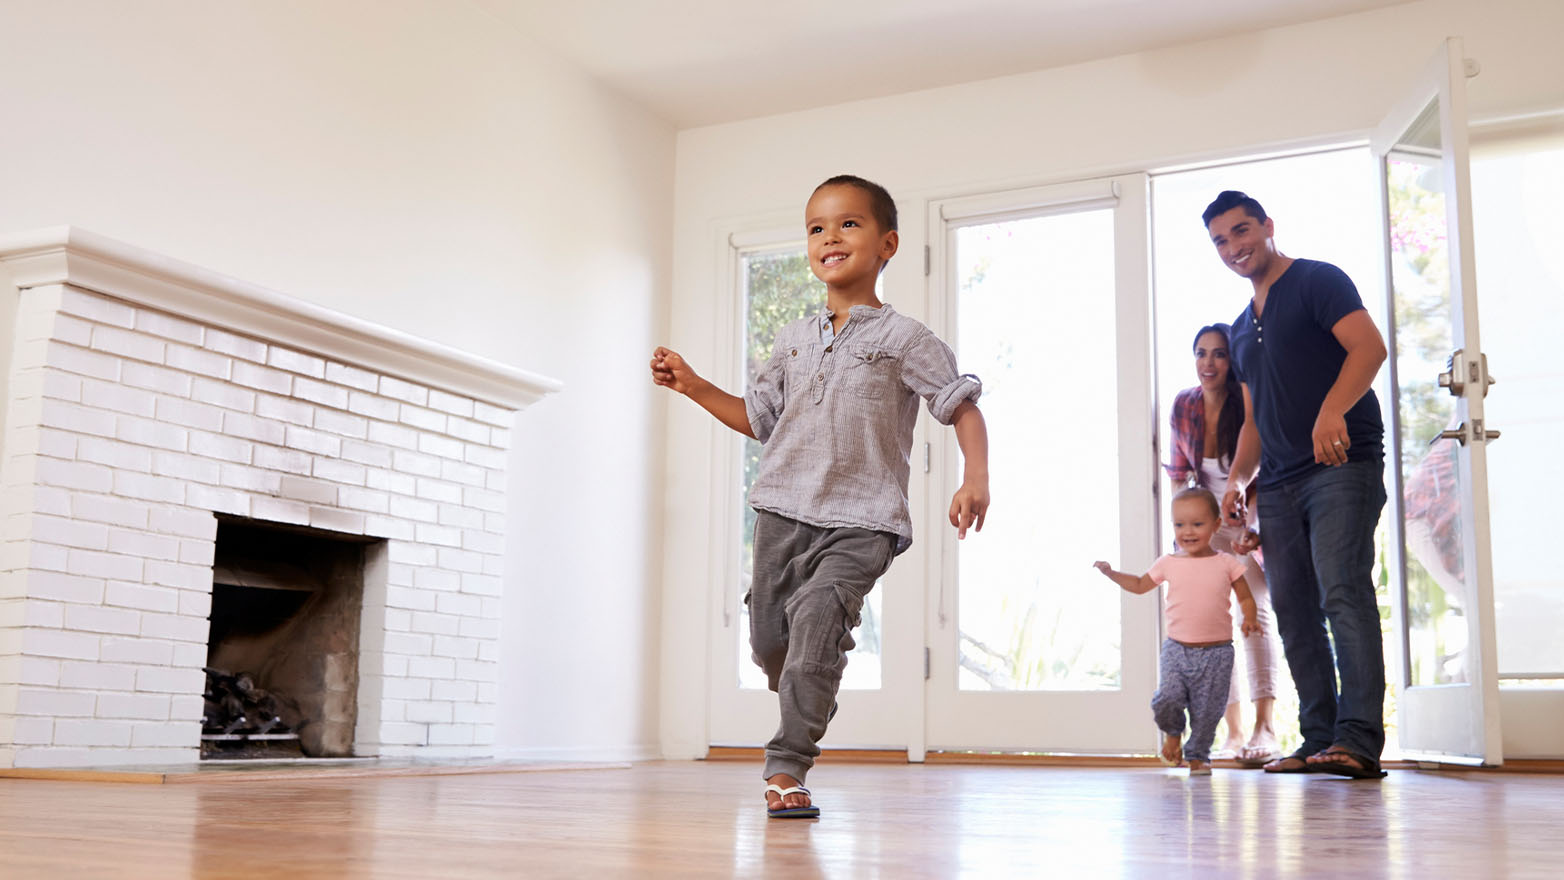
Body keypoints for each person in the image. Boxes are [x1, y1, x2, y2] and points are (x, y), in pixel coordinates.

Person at [651, 174, 991, 818]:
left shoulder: (904, 339)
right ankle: (813, 680)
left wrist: (975, 476)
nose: (830, 236)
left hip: (863, 519)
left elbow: (961, 406)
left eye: (848, 224)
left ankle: (786, 769)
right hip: (782, 510)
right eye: (816, 228)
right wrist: (692, 385)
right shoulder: (792, 339)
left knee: (814, 625)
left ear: (887, 244)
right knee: (769, 644)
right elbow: (759, 418)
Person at [1203, 190, 1390, 779]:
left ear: (1267, 226)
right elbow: (1257, 416)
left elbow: (1370, 348)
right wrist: (1237, 479)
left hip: (1340, 464)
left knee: (1342, 592)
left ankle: (1358, 740)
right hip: (1278, 483)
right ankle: (1317, 739)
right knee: (1293, 608)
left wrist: (1334, 409)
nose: (1234, 247)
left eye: (1241, 231)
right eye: (1221, 241)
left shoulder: (1317, 282)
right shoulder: (1238, 328)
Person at [1164, 322, 1282, 766]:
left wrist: (1249, 531)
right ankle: (1232, 732)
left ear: (1232, 362)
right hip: (1208, 523)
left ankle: (1265, 727)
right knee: (1211, 626)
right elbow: (1179, 476)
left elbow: (1263, 474)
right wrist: (1181, 537)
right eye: (1200, 353)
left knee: (1256, 614)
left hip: (1255, 518)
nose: (1207, 363)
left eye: (1218, 354)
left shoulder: (1247, 407)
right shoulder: (1185, 405)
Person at [1094, 487, 1260, 776]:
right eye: (1180, 524)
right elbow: (1139, 585)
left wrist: (1250, 618)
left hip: (1218, 653)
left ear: (1216, 524)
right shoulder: (1168, 563)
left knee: (1208, 711)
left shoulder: (1226, 563)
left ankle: (1198, 755)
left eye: (1198, 524)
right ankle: (1173, 732)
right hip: (1177, 649)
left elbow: (1246, 597)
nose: (1188, 531)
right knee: (1167, 698)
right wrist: (1111, 573)